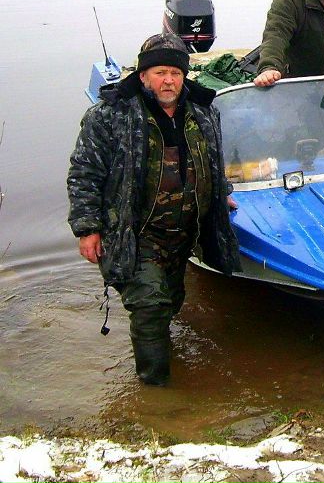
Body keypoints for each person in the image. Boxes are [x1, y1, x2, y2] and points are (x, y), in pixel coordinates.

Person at [67, 33, 240, 386]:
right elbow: (84, 172)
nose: (168, 81)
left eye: (175, 73)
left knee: (171, 300)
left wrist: (222, 194)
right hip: (133, 231)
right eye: (160, 72)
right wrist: (87, 228)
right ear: (143, 76)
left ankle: (161, 358)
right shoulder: (109, 116)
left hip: (183, 233)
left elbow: (213, 161)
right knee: (150, 305)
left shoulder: (203, 110)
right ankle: (156, 393)